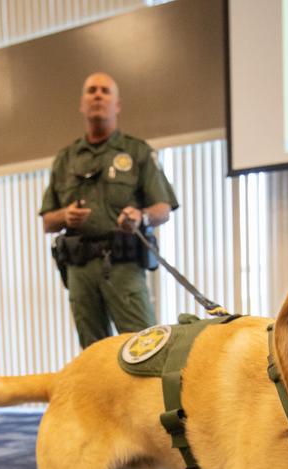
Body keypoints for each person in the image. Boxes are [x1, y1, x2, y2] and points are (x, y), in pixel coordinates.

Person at [40, 72, 179, 348]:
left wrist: (141, 216)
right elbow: (48, 220)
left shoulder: (136, 151)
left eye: (105, 91)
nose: (98, 95)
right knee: (92, 356)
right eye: (91, 90)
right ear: (82, 103)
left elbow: (163, 207)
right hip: (80, 269)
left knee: (146, 349)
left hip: (123, 266)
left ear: (117, 105)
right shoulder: (65, 159)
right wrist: (65, 216)